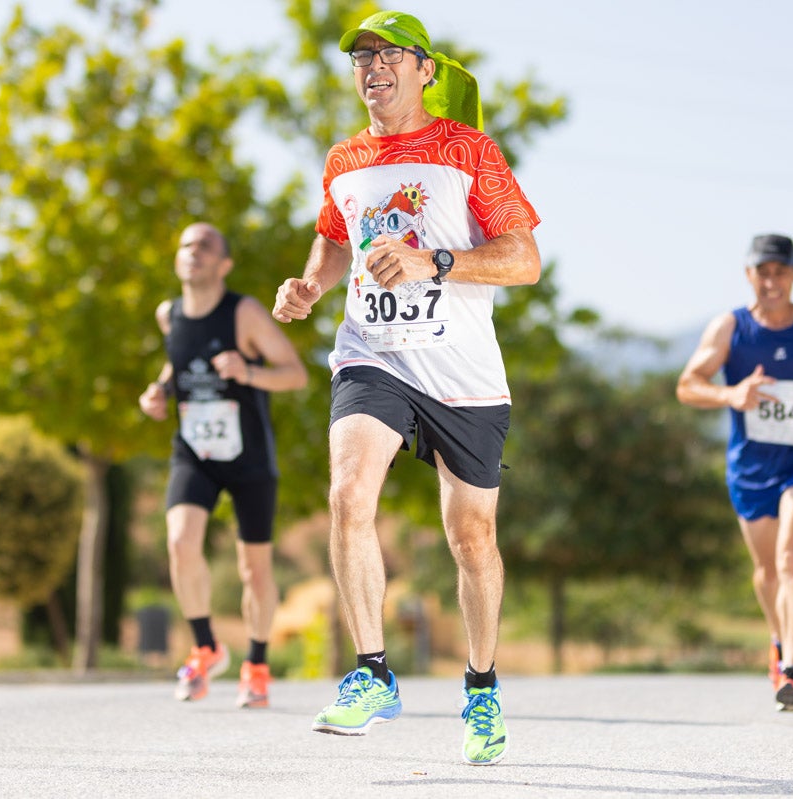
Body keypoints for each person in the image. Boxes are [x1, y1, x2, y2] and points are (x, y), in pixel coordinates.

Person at [272, 10, 540, 765]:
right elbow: (334, 236)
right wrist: (309, 286)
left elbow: (523, 260)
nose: (374, 67)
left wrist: (437, 262)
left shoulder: (469, 151)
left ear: (426, 69)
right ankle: (373, 673)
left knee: (472, 537)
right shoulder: (344, 158)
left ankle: (481, 686)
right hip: (372, 355)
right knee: (349, 494)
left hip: (462, 374)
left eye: (391, 54)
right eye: (362, 57)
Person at [676, 233, 793, 712]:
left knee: (791, 560)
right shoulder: (730, 329)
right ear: (749, 275)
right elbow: (687, 385)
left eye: (780, 271)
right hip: (751, 467)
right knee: (766, 571)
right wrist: (731, 394)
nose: (772, 281)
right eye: (763, 272)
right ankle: (780, 642)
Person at [139, 222, 308, 708]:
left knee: (254, 569)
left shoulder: (244, 313)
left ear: (223, 264)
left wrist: (248, 372)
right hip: (194, 451)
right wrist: (160, 391)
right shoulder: (168, 314)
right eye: (186, 245)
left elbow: (294, 374)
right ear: (177, 261)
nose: (193, 253)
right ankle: (205, 646)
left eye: (205, 246)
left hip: (249, 456)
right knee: (179, 543)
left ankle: (256, 664)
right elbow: (179, 361)